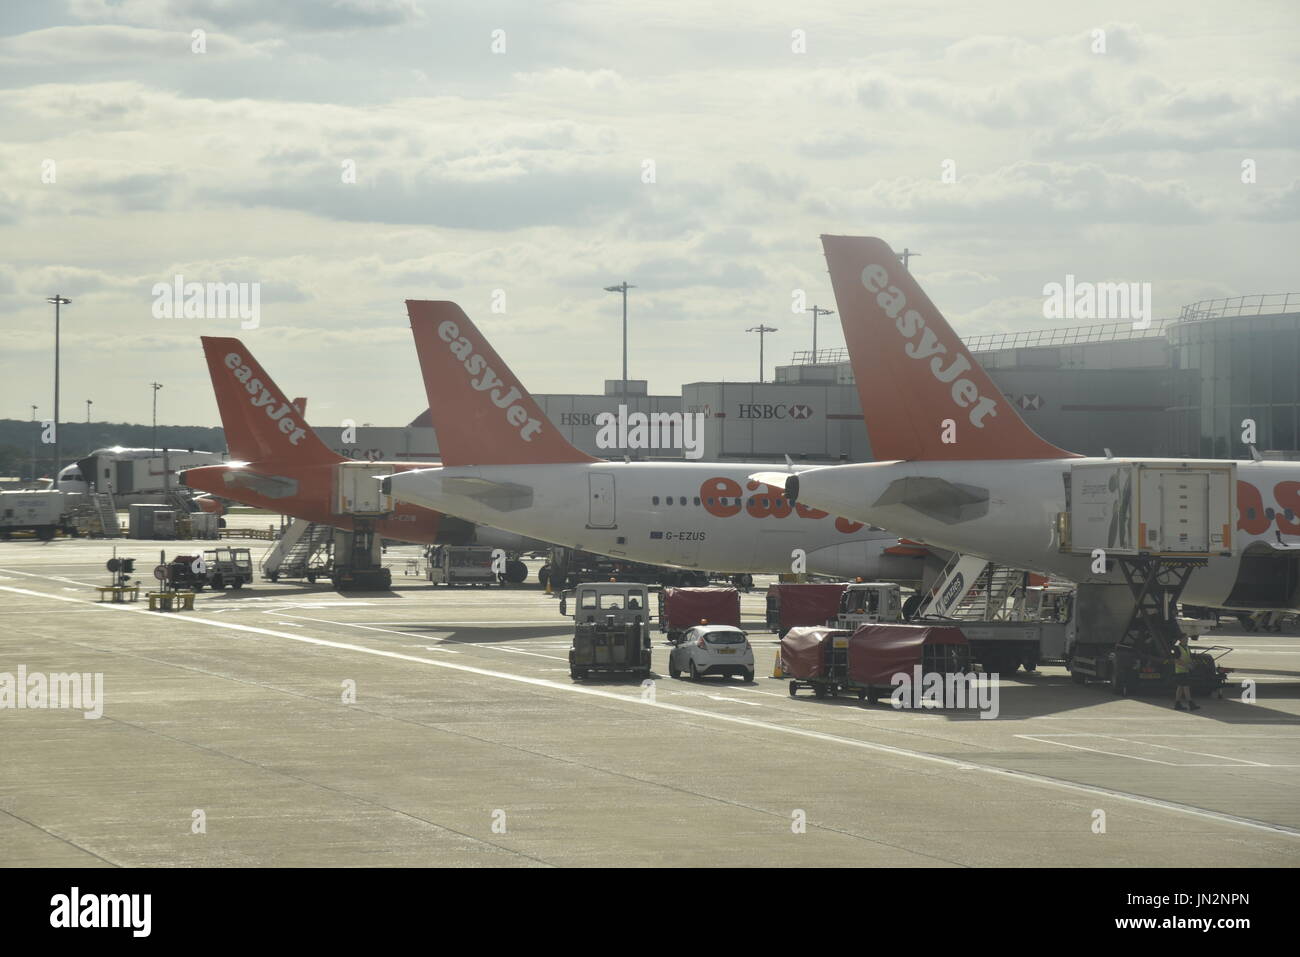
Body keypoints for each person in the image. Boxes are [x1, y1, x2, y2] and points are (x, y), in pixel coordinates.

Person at [1173, 634, 1200, 711]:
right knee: (1186, 687)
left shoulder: (1187, 648)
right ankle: (1191, 704)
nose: (1187, 640)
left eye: (1187, 638)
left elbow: (1188, 658)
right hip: (1180, 671)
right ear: (1180, 639)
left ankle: (1177, 704)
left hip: (1185, 670)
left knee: (1180, 687)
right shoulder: (1177, 648)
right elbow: (1176, 660)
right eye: (1185, 638)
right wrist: (1187, 665)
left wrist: (1193, 663)